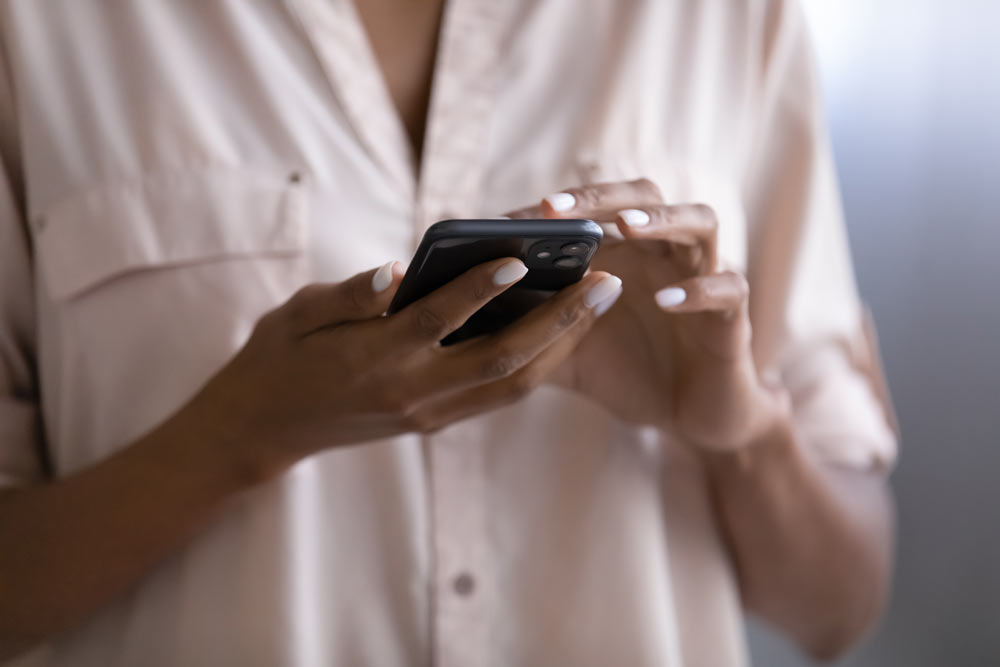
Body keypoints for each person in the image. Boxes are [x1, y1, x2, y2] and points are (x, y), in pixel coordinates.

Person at [0, 0, 899, 665]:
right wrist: (238, 434)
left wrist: (743, 433)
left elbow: (840, 606)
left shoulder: (724, 19)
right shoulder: (40, 29)